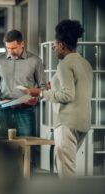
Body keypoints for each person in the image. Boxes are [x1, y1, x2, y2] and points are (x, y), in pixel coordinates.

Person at [25, 20, 93, 178]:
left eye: (55, 45)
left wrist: (40, 93)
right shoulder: (85, 63)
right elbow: (78, 90)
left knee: (66, 172)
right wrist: (51, 87)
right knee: (67, 165)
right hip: (82, 123)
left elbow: (68, 95)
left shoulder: (64, 64)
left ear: (62, 45)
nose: (54, 48)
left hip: (67, 123)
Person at [0, 29, 46, 137]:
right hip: (3, 111)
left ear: (22, 44)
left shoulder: (35, 61)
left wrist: (36, 99)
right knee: (0, 147)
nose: (10, 51)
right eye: (8, 48)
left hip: (25, 111)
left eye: (13, 48)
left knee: (26, 147)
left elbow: (43, 86)